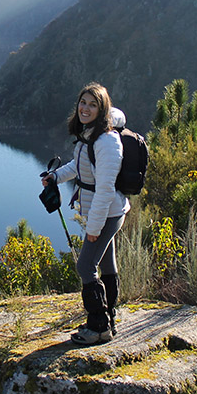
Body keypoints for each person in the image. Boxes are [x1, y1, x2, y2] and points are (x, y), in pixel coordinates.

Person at [41, 82, 130, 345]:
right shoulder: (90, 135)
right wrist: (56, 176)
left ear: (102, 109)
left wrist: (93, 228)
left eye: (93, 104)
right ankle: (108, 317)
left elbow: (105, 189)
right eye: (83, 102)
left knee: (85, 266)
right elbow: (79, 167)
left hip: (107, 213)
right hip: (103, 212)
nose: (85, 108)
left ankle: (99, 327)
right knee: (106, 264)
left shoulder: (107, 142)